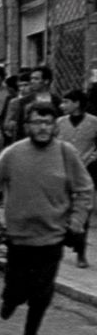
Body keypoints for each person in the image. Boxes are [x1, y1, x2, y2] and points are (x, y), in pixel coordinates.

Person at [0, 102, 93, 335]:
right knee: (16, 288)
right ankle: (11, 299)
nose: (42, 128)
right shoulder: (13, 154)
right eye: (37, 123)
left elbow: (84, 190)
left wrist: (76, 223)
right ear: (27, 125)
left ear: (55, 126)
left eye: (48, 123)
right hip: (18, 238)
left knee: (42, 295)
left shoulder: (67, 154)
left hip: (52, 238)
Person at [57, 89, 97, 268]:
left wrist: (91, 158)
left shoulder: (94, 122)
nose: (62, 105)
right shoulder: (59, 122)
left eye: (66, 102)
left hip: (85, 173)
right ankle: (61, 243)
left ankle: (80, 252)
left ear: (77, 103)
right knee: (61, 209)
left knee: (83, 211)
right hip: (62, 171)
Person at [4, 66, 62, 142]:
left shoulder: (57, 101)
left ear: (46, 81)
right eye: (31, 78)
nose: (32, 81)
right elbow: (19, 126)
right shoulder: (24, 101)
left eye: (36, 79)